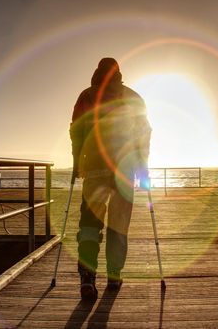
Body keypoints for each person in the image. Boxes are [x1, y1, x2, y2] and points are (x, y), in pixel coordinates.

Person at [69, 58, 151, 300]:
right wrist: (142, 166)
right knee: (118, 224)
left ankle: (87, 275)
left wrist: (76, 162)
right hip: (124, 171)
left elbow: (76, 132)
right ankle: (114, 274)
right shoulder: (132, 96)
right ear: (118, 74)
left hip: (94, 168)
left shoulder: (86, 96)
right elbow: (143, 134)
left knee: (89, 224)